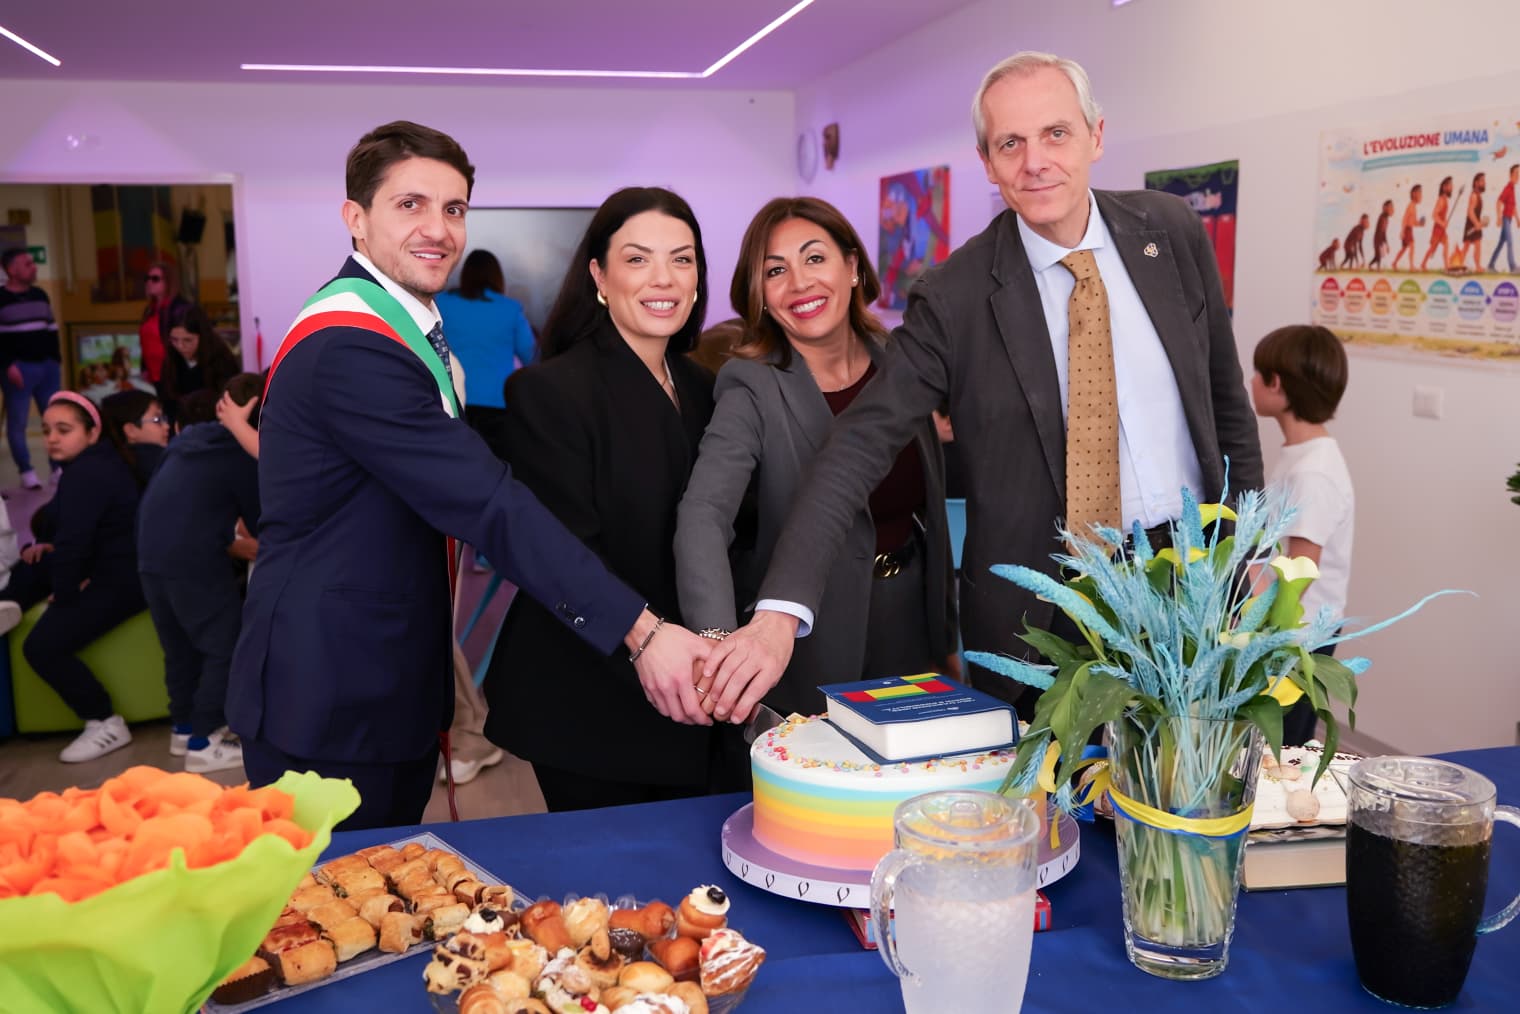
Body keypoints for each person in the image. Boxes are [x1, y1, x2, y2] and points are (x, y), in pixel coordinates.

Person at [701, 51, 1263, 724]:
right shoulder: (954, 295)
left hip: (1192, 576)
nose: (1036, 161)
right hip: (1048, 608)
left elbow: (1226, 405)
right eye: (1011, 143)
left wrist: (1254, 549)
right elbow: (856, 448)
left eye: (1056, 133)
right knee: (1052, 812)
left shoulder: (1169, 233)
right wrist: (778, 612)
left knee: (1189, 787)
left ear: (1096, 136)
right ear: (987, 163)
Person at [228, 123, 712, 830]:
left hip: (378, 679)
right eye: (410, 206)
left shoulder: (403, 328)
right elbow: (487, 501)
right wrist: (641, 630)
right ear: (355, 218)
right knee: (336, 919)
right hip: (329, 692)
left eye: (453, 209)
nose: (438, 229)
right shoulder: (351, 347)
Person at [483, 186, 733, 812]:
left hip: (697, 684)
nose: (664, 279)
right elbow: (560, 553)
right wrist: (649, 638)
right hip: (590, 691)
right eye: (638, 258)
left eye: (682, 259)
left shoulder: (707, 388)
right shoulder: (549, 392)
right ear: (599, 274)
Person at [675, 196, 956, 718]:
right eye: (776, 270)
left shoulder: (900, 363)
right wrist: (717, 641)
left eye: (814, 258)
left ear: (852, 267)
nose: (800, 283)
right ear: (759, 295)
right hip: (808, 639)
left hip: (913, 625)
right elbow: (704, 515)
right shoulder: (751, 386)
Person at [0, 392, 145, 762]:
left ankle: (104, 721)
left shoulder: (88, 473)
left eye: (63, 430)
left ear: (92, 432)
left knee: (41, 647)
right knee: (38, 561)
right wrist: (48, 547)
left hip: (122, 580)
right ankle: (10, 602)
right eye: (47, 430)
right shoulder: (87, 467)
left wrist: (64, 596)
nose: (51, 438)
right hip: (101, 566)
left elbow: (76, 541)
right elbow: (66, 532)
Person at [139, 373, 263, 773]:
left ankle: (184, 727)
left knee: (180, 649)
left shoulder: (186, 443)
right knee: (225, 645)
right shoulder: (238, 451)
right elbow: (263, 520)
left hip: (151, 559)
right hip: (195, 562)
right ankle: (205, 740)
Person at [1249, 325, 1353, 746]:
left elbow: (1299, 574)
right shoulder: (1301, 456)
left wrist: (1249, 628)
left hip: (1297, 641)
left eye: (1258, 373)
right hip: (1283, 635)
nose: (1250, 382)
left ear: (1278, 384)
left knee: (1281, 755)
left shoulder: (1314, 472)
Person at [434, 249, 536, 462]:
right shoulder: (510, 308)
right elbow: (531, 356)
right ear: (497, 275)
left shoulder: (441, 303)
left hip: (450, 402)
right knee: (493, 468)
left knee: (454, 467)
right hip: (497, 404)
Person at [0, 248, 63, 489]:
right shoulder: (1, 299)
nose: (34, 267)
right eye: (27, 264)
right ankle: (26, 471)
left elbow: (52, 328)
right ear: (12, 270)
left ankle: (57, 468)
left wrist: (55, 359)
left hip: (47, 366)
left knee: (55, 418)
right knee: (18, 422)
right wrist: (7, 366)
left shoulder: (40, 294)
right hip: (19, 370)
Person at [158, 305, 241, 425]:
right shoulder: (171, 359)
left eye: (188, 340)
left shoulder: (222, 359)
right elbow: (168, 402)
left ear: (202, 336)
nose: (180, 346)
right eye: (174, 339)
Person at [100, 389, 171, 486]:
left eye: (164, 418)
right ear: (130, 430)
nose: (167, 426)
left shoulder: (114, 463)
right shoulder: (155, 463)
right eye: (157, 419)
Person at [139, 261, 190, 385]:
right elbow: (146, 343)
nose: (149, 282)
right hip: (153, 376)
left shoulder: (180, 309)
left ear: (168, 282)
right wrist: (144, 369)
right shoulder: (150, 310)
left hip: (175, 376)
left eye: (155, 279)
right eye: (147, 278)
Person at [1455, 172, 1488, 271]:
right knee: (1466, 246)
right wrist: (1476, 223)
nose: (1484, 183)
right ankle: (1457, 264)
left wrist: (1480, 222)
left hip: (1476, 224)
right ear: (1476, 183)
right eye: (1482, 181)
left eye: (1484, 180)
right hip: (1471, 225)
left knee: (1478, 245)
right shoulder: (1473, 195)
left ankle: (1477, 266)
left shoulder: (1479, 195)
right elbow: (1470, 212)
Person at [1420, 176, 1454, 272]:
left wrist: (1444, 221)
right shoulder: (1441, 200)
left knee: (1445, 245)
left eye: (1452, 185)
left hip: (1441, 228)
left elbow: (1440, 215)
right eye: (1450, 185)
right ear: (1444, 187)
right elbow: (1434, 215)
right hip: (1438, 229)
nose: (1452, 187)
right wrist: (1442, 223)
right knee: (1432, 248)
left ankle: (1446, 265)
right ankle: (1423, 264)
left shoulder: (1444, 199)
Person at [1489, 164, 1518, 274]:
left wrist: (1517, 219)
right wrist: (1498, 217)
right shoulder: (1508, 188)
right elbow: (1498, 202)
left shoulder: (1512, 189)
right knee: (1509, 242)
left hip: (1509, 219)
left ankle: (1490, 265)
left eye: (1519, 174)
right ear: (1510, 175)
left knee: (1501, 243)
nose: (1518, 176)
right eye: (1516, 173)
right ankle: (1513, 267)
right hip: (1505, 219)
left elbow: (1513, 206)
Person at [1390, 185, 1423, 272]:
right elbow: (1405, 219)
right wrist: (1402, 231)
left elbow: (1413, 222)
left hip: (1409, 229)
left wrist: (1420, 224)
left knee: (1404, 248)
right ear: (1414, 194)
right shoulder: (1411, 206)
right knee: (1411, 246)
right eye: (1419, 193)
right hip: (1407, 229)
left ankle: (1394, 263)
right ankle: (1411, 266)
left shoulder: (1413, 206)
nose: (1421, 195)